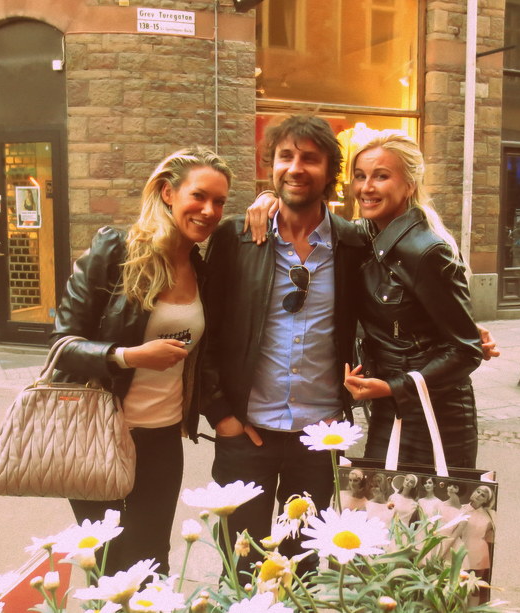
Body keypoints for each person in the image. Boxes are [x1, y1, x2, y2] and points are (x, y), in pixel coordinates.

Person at [201, 115, 369, 577]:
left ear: (329, 171)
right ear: (270, 166)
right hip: (246, 432)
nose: (296, 167)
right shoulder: (237, 238)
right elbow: (207, 331)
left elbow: (385, 312)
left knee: (302, 567)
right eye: (285, 156)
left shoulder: (352, 243)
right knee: (241, 567)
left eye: (309, 158)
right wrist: (221, 414)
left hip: (319, 436)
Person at [51, 147, 232, 576]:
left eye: (219, 201)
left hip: (162, 438)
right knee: (108, 564)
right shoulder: (116, 249)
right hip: (99, 434)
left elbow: (205, 359)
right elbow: (62, 344)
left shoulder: (201, 269)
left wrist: (222, 413)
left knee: (152, 562)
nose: (209, 210)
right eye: (199, 196)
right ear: (168, 192)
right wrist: (129, 357)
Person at [343, 132, 483, 468]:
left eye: (381, 176)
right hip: (390, 402)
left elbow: (466, 350)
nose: (366, 187)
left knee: (428, 503)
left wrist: (394, 387)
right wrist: (271, 201)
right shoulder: (367, 235)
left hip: (437, 412)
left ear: (409, 185)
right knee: (379, 499)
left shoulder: (427, 250)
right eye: (360, 176)